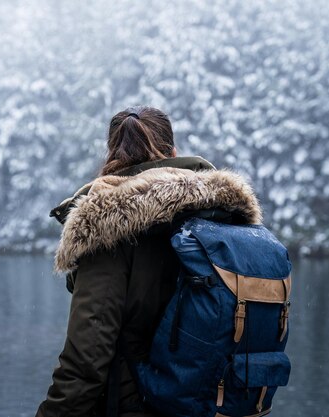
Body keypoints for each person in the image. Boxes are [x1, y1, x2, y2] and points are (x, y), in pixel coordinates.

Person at [36, 106, 262, 417]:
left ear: (111, 156)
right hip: (217, 404)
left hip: (140, 405)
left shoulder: (106, 226)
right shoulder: (223, 218)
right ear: (173, 152)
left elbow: (86, 362)